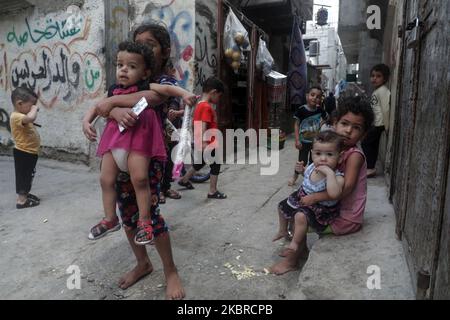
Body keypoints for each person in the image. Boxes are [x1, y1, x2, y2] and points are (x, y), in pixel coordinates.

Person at [83, 23, 196, 299]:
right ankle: (143, 263)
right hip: (119, 153)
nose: (143, 48)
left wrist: (113, 105)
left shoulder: (165, 80)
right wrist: (110, 109)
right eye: (138, 43)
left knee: (151, 218)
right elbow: (107, 104)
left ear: (164, 51)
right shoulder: (120, 84)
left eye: (150, 44)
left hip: (148, 158)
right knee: (127, 216)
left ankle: (170, 271)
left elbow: (152, 97)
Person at [270, 96, 375, 275]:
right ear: (335, 123)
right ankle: (301, 249)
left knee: (299, 217)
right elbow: (318, 176)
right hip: (333, 205)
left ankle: (291, 261)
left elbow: (346, 189)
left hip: (345, 217)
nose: (348, 130)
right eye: (344, 123)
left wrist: (315, 197)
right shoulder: (335, 149)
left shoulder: (354, 155)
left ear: (363, 134)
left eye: (356, 128)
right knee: (293, 206)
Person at [273, 131, 345, 250]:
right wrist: (301, 170)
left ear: (340, 157)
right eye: (318, 153)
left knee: (300, 217)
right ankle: (282, 230)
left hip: (320, 208)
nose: (323, 159)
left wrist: (329, 173)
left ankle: (295, 243)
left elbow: (334, 194)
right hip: (302, 197)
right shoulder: (312, 167)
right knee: (281, 206)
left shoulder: (337, 176)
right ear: (312, 154)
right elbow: (307, 174)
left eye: (329, 154)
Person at [177, 77, 227, 199]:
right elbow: (203, 124)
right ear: (213, 92)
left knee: (199, 163)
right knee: (216, 164)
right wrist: (205, 143)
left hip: (201, 142)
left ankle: (184, 180)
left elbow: (196, 123)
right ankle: (212, 191)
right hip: (208, 142)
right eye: (219, 96)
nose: (218, 99)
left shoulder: (199, 105)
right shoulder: (206, 107)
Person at [288, 86, 327, 186]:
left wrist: (322, 124)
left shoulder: (320, 110)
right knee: (301, 161)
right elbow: (296, 124)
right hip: (304, 141)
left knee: (314, 161)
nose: (314, 98)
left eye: (318, 97)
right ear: (307, 96)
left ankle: (311, 178)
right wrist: (297, 140)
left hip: (316, 143)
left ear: (320, 99)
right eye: (312, 95)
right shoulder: (301, 110)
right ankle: (294, 177)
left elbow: (327, 118)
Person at [10, 87, 41, 209]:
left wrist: (31, 107)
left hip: (30, 152)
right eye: (31, 105)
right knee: (23, 176)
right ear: (19, 104)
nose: (33, 107)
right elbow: (31, 118)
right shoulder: (16, 116)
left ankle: (25, 194)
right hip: (23, 153)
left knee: (28, 175)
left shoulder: (21, 115)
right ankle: (21, 201)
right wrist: (34, 109)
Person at [362, 64, 391, 178]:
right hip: (376, 123)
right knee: (372, 145)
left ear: (385, 78)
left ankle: (370, 167)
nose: (374, 78)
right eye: (373, 76)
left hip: (379, 124)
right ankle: (370, 167)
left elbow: (386, 108)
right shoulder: (378, 91)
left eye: (378, 76)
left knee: (366, 143)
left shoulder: (383, 91)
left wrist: (387, 126)